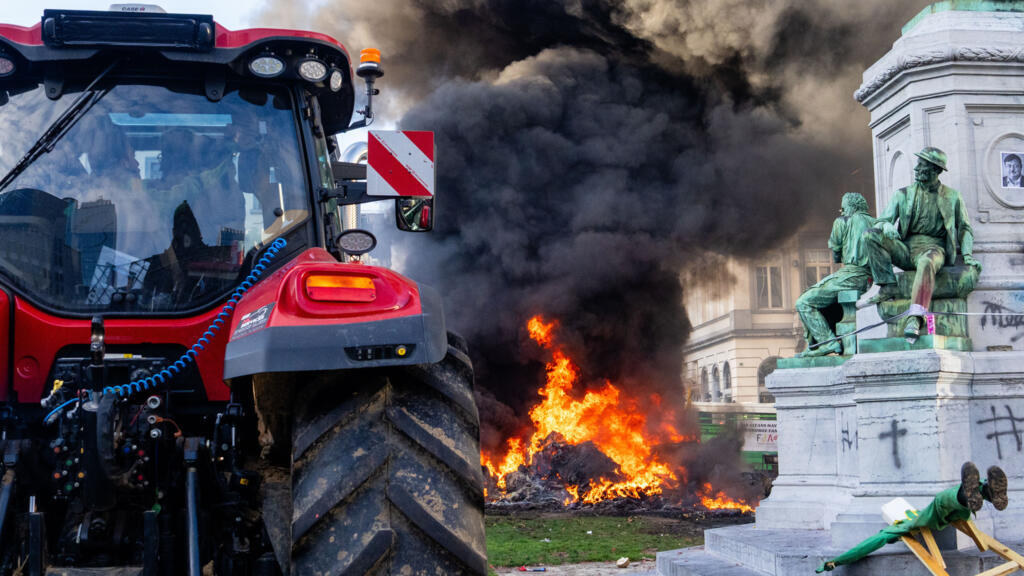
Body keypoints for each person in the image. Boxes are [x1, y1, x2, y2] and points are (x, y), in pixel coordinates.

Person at [862, 147, 981, 339]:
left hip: (934, 248)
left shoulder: (952, 196)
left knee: (927, 262)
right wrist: (885, 225)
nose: (916, 168)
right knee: (870, 235)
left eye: (922, 165)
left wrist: (967, 255)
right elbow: (880, 221)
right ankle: (887, 285)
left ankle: (916, 317)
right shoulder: (902, 194)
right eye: (918, 164)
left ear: (935, 170)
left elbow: (965, 229)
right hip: (905, 249)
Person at [817, 462, 1008, 572]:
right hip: (938, 516)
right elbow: (877, 540)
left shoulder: (905, 521)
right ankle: (984, 490)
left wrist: (836, 562)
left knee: (942, 502)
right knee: (941, 503)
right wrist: (837, 561)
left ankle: (978, 492)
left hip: (943, 514)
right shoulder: (902, 525)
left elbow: (875, 540)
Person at [795, 193, 874, 357]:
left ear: (851, 207)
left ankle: (828, 342)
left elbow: (836, 252)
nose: (842, 211)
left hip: (851, 275)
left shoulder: (842, 221)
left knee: (803, 302)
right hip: (869, 280)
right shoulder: (876, 223)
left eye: (843, 208)